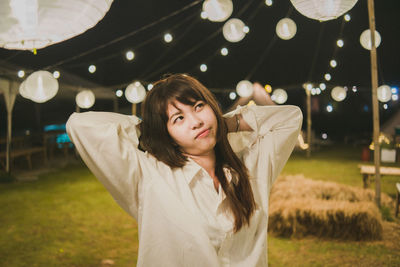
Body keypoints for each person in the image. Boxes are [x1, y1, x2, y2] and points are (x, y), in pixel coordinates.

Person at [66, 74, 303, 266]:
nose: (196, 121)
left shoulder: (250, 167)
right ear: (165, 131)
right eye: (178, 118)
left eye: (199, 107)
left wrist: (226, 123)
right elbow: (80, 126)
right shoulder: (150, 176)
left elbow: (290, 117)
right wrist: (152, 130)